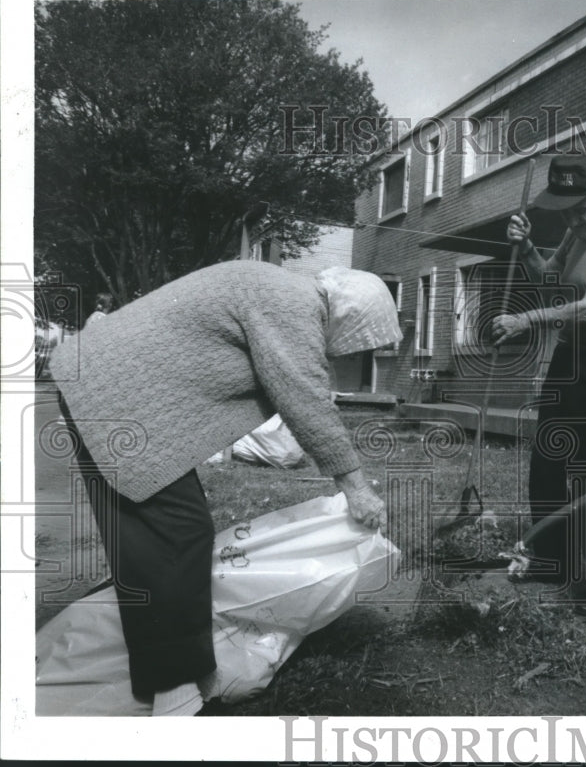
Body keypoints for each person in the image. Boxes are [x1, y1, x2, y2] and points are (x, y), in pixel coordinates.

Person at [48, 260, 401, 715]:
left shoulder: (280, 289)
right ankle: (176, 692)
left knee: (144, 538)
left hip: (98, 386)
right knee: (178, 533)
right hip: (116, 399)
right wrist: (354, 484)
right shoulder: (294, 304)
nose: (346, 353)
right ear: (349, 317)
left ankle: (162, 666)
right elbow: (302, 394)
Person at [492, 154, 586, 609]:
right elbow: (552, 280)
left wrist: (525, 321)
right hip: (571, 357)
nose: (571, 217)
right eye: (563, 209)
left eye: (578, 207)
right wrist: (526, 249)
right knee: (547, 460)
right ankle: (551, 559)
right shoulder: (576, 228)